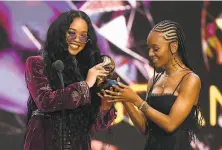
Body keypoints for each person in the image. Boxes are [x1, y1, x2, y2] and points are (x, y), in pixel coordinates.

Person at [24, 10, 116, 150]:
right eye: (72, 33)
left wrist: (105, 105)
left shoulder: (85, 71)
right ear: (60, 33)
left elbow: (93, 124)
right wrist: (85, 85)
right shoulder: (37, 63)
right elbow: (45, 102)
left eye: (83, 35)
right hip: (44, 143)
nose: (77, 39)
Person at [105, 20, 202, 150]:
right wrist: (125, 99)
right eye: (149, 48)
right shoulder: (154, 80)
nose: (150, 53)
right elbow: (145, 128)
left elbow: (170, 124)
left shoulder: (190, 80)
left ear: (173, 47)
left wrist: (136, 100)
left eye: (155, 49)